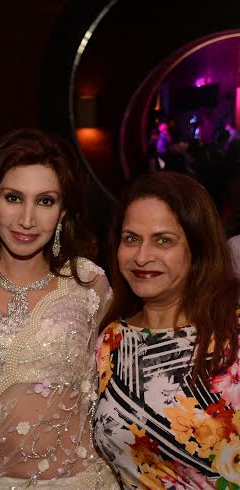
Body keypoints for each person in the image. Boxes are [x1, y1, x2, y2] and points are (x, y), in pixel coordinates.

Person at [0, 129, 119, 489]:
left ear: (63, 211)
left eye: (45, 201)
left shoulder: (88, 282)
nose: (27, 219)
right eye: (13, 198)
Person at [94, 171, 240, 488]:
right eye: (131, 239)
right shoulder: (110, 341)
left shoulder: (232, 335)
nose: (142, 257)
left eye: (163, 240)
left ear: (197, 249)